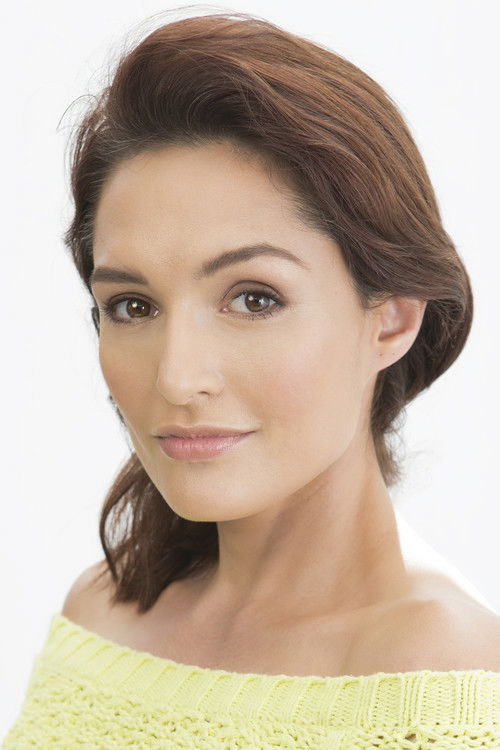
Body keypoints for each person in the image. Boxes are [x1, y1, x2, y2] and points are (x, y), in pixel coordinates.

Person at [4, 9, 500, 749]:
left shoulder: (441, 688)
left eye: (254, 299)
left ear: (392, 319)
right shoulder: (99, 620)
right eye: (133, 306)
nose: (177, 378)